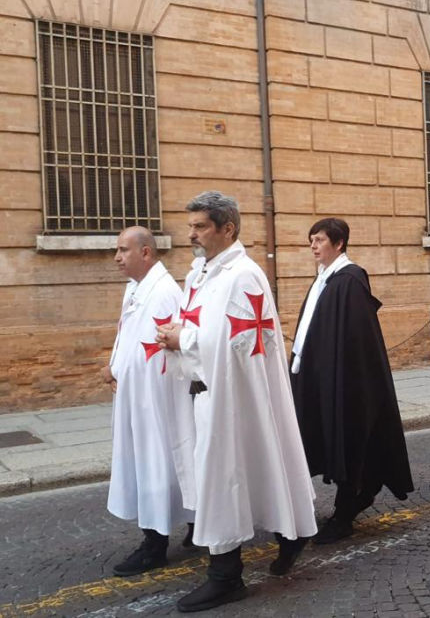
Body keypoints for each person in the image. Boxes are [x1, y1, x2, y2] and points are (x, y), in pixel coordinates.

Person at [156, 192, 317, 613]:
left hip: (233, 396)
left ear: (227, 228)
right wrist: (180, 333)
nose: (191, 233)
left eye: (200, 226)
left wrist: (180, 339)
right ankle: (291, 532)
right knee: (251, 468)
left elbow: (235, 342)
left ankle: (226, 577)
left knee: (225, 478)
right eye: (190, 225)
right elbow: (204, 325)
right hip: (211, 391)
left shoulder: (241, 275)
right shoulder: (204, 273)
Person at [289, 217, 413, 545]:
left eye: (319, 240)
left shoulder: (349, 280)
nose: (313, 246)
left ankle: (345, 514)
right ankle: (346, 498)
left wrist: (341, 380)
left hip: (347, 383)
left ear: (339, 243)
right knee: (318, 440)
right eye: (311, 240)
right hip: (318, 378)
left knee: (351, 443)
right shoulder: (324, 280)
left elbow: (357, 342)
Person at [103, 227, 194, 577]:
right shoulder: (137, 289)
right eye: (117, 249)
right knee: (154, 465)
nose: (117, 257)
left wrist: (127, 376)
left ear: (146, 253)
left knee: (158, 465)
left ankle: (155, 544)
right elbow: (129, 337)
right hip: (136, 396)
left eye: (124, 250)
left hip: (156, 402)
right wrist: (115, 367)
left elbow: (166, 349)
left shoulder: (164, 293)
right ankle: (194, 526)